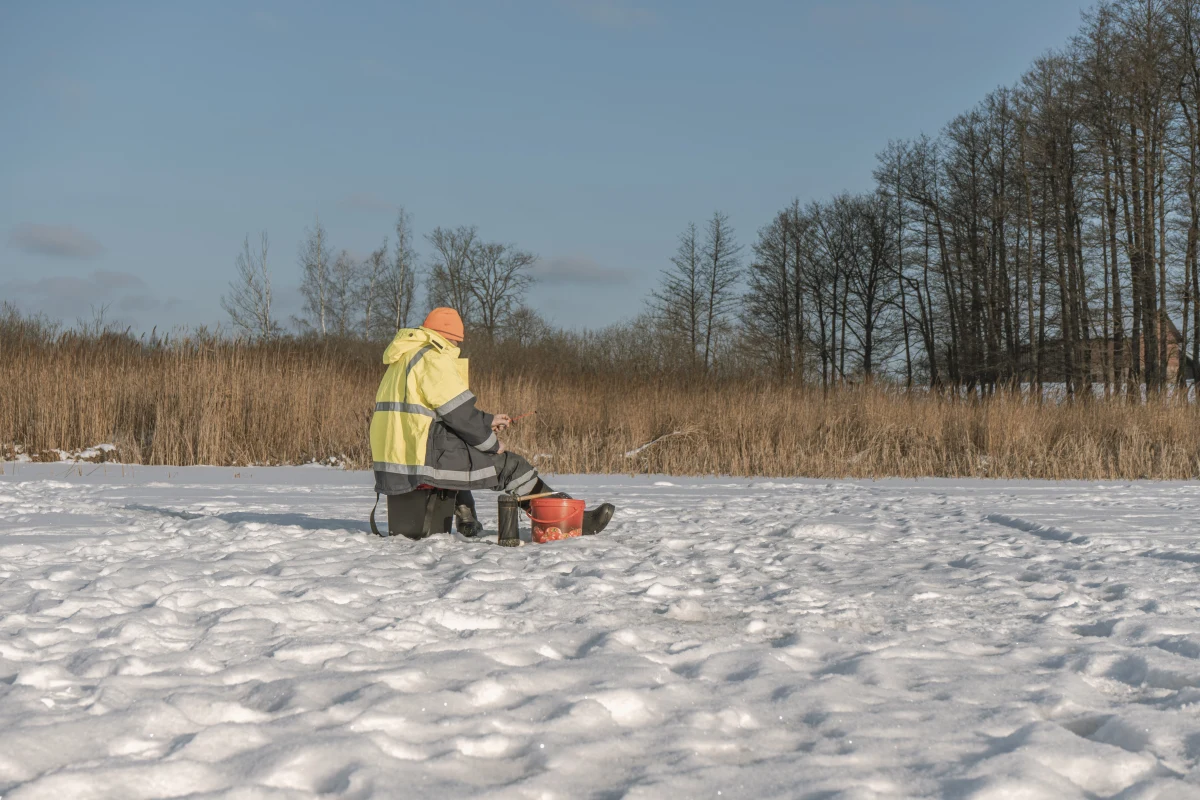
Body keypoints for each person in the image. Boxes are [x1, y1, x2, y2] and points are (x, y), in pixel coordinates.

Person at [369, 307, 615, 538]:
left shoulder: (404, 358)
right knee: (512, 466)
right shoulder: (434, 358)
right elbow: (460, 416)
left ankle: (466, 515)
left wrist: (486, 421)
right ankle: (568, 522)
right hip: (424, 459)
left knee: (464, 455)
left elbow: (433, 413)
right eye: (456, 341)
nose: (456, 346)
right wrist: (491, 444)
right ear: (447, 336)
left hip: (401, 460)